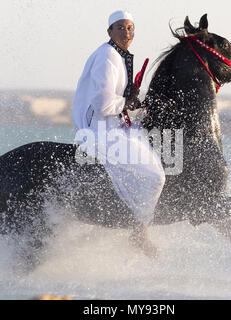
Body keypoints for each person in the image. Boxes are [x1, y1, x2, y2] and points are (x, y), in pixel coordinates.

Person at [72, 10, 165, 257]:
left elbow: (118, 101)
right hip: (100, 131)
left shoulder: (116, 55)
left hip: (113, 125)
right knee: (156, 177)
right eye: (121, 28)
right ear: (109, 31)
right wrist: (127, 103)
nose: (126, 32)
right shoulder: (108, 57)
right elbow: (103, 104)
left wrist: (133, 104)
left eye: (130, 28)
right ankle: (139, 231)